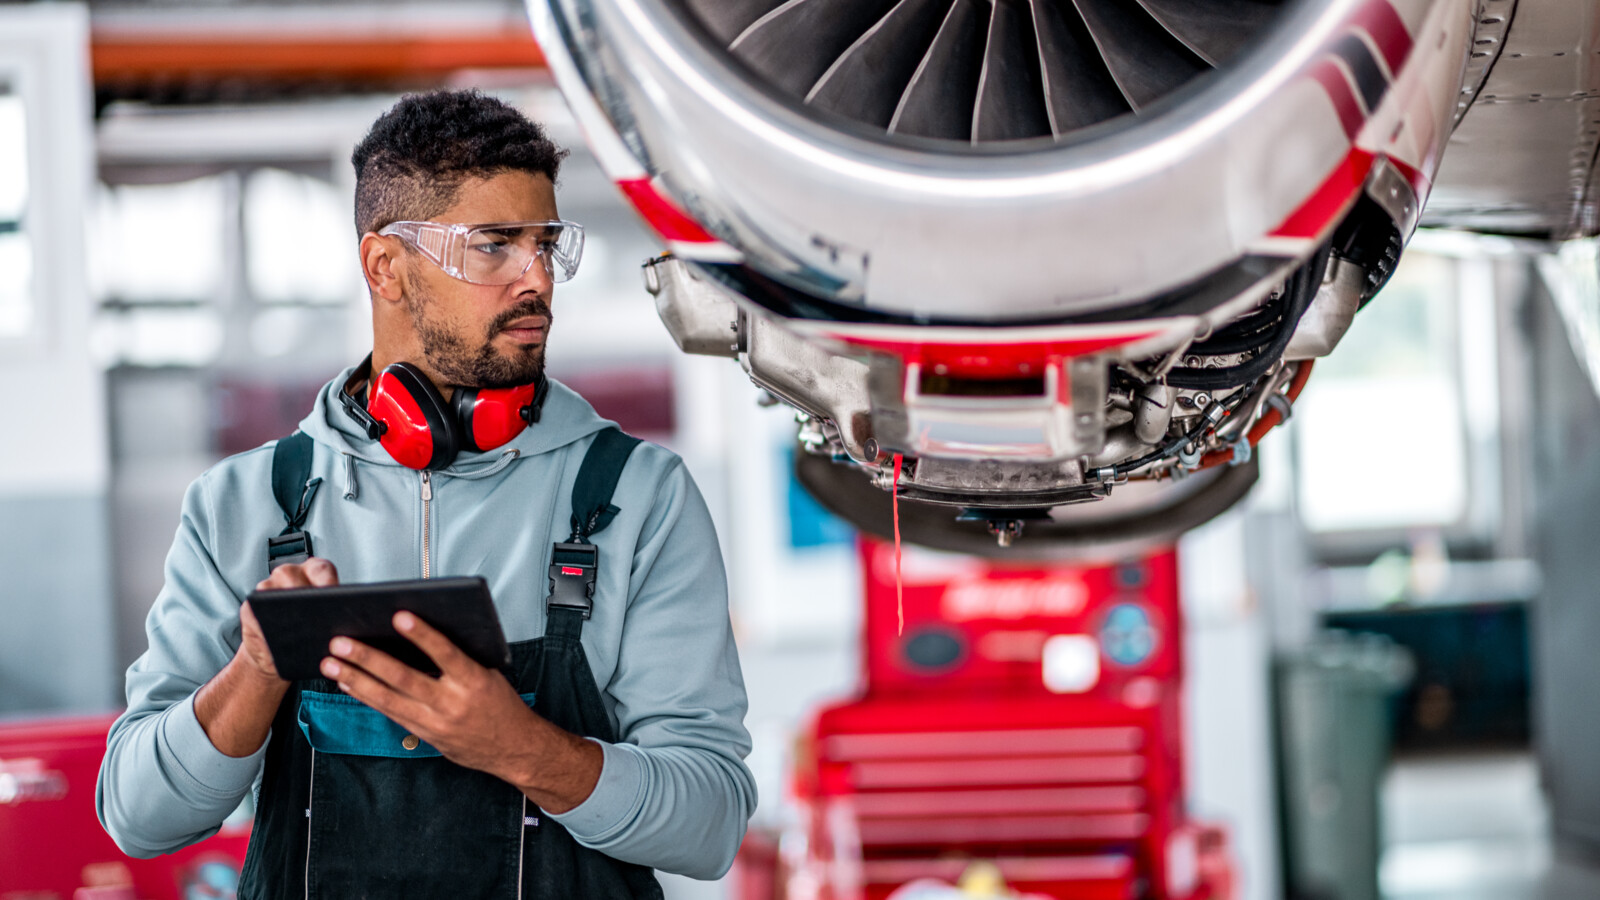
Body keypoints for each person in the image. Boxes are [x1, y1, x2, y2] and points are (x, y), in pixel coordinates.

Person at [96, 90, 756, 898]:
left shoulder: (636, 498)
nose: (537, 277)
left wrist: (519, 747)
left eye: (545, 243)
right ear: (385, 268)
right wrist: (258, 668)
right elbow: (138, 814)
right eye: (495, 247)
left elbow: (713, 822)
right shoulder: (244, 504)